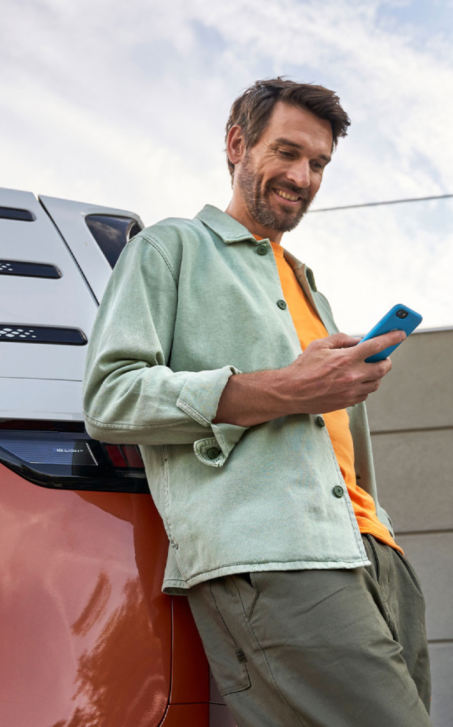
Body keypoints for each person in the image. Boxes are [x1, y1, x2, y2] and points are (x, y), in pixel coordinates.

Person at [82, 78, 431, 726]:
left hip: (375, 553)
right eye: (287, 152)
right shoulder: (169, 248)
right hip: (279, 558)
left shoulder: (307, 285)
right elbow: (111, 398)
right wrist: (287, 388)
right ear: (237, 144)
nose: (303, 177)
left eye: (319, 163)